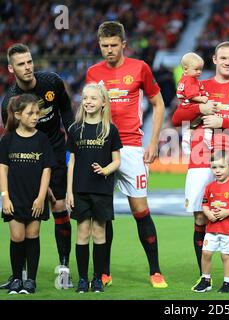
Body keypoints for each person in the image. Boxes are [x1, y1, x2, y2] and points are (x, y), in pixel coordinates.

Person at [172, 41, 229, 290]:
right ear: (214, 60)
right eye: (223, 58)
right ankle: (205, 276)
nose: (228, 62)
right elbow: (177, 118)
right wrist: (200, 107)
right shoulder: (200, 86)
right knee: (200, 217)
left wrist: (223, 120)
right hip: (200, 159)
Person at [86, 21, 167, 288]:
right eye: (104, 46)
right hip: (101, 147)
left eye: (113, 45)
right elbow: (89, 110)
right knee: (102, 212)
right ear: (99, 45)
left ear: (123, 44)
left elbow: (158, 103)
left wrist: (153, 141)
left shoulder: (139, 68)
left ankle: (155, 271)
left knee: (140, 210)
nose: (109, 50)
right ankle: (104, 271)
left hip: (132, 147)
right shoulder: (93, 72)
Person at [0, 44, 74, 290]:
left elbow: (65, 108)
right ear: (11, 69)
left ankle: (64, 268)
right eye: (21, 64)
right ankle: (19, 275)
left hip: (54, 151)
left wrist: (71, 136)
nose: (28, 67)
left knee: (60, 207)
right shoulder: (9, 102)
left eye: (29, 61)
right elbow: (11, 141)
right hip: (27, 164)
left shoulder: (51, 82)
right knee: (25, 218)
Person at [66, 83, 122, 293]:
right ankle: (82, 280)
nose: (88, 101)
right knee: (82, 233)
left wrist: (106, 170)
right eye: (85, 97)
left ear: (103, 103)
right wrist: (69, 192)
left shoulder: (110, 129)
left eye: (93, 98)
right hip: (80, 190)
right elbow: (71, 162)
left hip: (102, 191)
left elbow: (117, 161)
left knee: (99, 233)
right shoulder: (75, 129)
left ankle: (97, 279)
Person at [0, 94, 56, 294]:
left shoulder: (42, 139)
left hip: (35, 199)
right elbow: (3, 170)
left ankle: (30, 280)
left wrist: (41, 198)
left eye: (37, 113)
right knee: (17, 236)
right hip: (14, 199)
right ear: (17, 115)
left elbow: (46, 170)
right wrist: (5, 197)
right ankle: (16, 279)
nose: (35, 117)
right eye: (30, 113)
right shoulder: (7, 140)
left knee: (33, 235)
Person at [192, 151, 229, 293]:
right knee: (206, 253)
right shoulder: (209, 187)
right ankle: (205, 280)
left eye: (221, 167)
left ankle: (228, 283)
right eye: (214, 167)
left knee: (225, 256)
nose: (217, 171)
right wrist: (208, 213)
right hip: (211, 229)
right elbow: (204, 203)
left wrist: (226, 213)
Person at [177, 52, 210, 155]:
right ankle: (208, 140)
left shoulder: (183, 79)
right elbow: (191, 95)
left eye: (200, 69)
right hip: (191, 106)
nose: (199, 72)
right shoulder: (191, 80)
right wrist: (203, 99)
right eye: (196, 69)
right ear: (186, 69)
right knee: (209, 117)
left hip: (183, 107)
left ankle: (186, 141)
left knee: (188, 128)